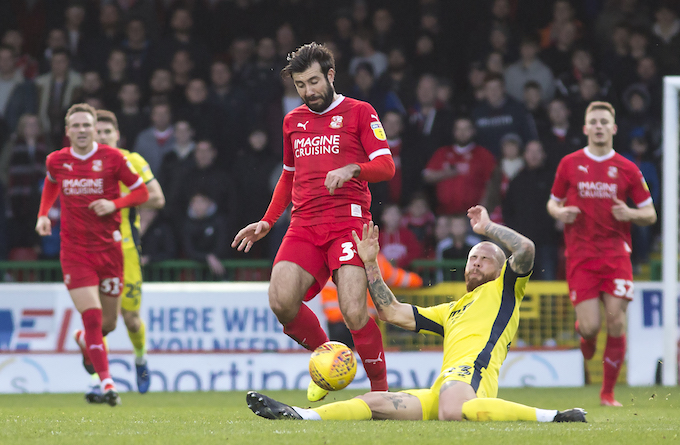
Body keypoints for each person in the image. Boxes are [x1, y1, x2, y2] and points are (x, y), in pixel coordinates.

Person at [246, 206, 586, 423]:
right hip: (442, 387)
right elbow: (390, 311)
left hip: (471, 380)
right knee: (374, 402)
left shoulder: (505, 291)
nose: (476, 262)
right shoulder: (451, 310)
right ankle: (302, 416)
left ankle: (555, 417)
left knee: (453, 411)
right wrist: (369, 264)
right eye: (472, 258)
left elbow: (525, 249)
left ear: (501, 269)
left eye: (485, 258)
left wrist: (487, 229)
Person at [232, 43, 395, 402]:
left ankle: (381, 394)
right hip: (303, 224)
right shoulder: (293, 121)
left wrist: (355, 168)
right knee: (280, 301)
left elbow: (386, 166)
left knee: (354, 311)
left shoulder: (360, 112)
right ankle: (327, 358)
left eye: (314, 82)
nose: (309, 91)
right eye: (301, 85)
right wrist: (267, 221)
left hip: (348, 224)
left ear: (331, 75)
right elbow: (289, 176)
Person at [35, 103, 150, 406]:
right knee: (93, 316)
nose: (83, 130)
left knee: (109, 325)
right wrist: (43, 214)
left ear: (94, 130)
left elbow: (143, 193)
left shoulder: (114, 158)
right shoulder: (57, 161)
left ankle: (84, 341)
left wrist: (115, 204)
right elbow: (50, 183)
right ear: (68, 130)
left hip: (111, 251)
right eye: (77, 126)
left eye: (87, 125)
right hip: (75, 252)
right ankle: (108, 383)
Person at [547, 101, 657, 406]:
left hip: (616, 255)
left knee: (617, 322)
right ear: (585, 128)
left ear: (613, 128)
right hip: (581, 256)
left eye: (603, 122)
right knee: (593, 325)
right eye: (593, 121)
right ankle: (587, 336)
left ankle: (607, 393)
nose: (598, 126)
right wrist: (561, 212)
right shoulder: (569, 163)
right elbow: (552, 203)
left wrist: (630, 214)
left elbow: (650, 214)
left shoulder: (628, 168)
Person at [94, 109, 166, 397]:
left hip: (126, 252)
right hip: (94, 252)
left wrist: (116, 203)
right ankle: (102, 381)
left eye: (106, 132)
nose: (101, 137)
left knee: (130, 318)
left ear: (117, 135)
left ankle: (140, 359)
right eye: (96, 132)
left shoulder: (131, 161)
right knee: (99, 319)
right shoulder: (82, 167)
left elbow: (157, 198)